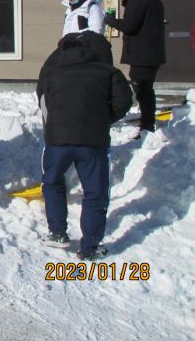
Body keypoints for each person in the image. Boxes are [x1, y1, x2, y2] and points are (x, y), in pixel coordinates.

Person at [36, 34, 132, 260]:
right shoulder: (108, 72)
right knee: (95, 193)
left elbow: (44, 101)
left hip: (57, 141)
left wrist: (53, 125)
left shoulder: (54, 73)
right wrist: (103, 120)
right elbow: (124, 102)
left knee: (52, 183)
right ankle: (89, 247)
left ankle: (58, 233)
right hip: (92, 141)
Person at [104, 0, 165, 136]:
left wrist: (111, 21)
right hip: (152, 52)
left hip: (142, 53)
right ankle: (147, 120)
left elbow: (130, 25)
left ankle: (147, 124)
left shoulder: (138, 0)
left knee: (142, 89)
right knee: (146, 88)